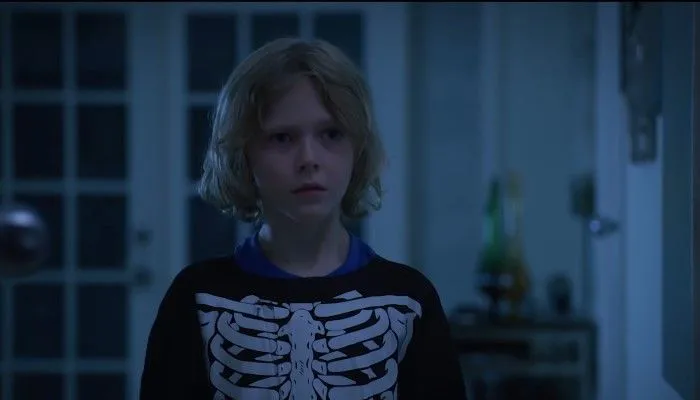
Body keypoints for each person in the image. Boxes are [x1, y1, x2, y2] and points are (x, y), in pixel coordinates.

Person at [140, 37, 468, 400]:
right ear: (243, 155)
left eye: (331, 134)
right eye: (282, 138)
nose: (309, 159)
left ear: (357, 149)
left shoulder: (410, 298)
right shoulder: (196, 296)